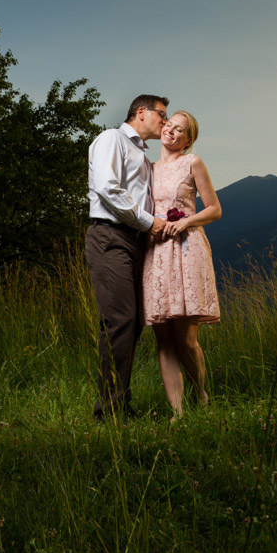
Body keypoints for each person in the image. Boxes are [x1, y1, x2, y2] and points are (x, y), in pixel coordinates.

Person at [85, 95, 169, 420]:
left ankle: (118, 403)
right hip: (110, 236)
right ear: (141, 112)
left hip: (135, 242)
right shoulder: (112, 139)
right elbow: (107, 187)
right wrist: (151, 223)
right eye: (161, 115)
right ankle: (109, 411)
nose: (164, 122)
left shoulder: (145, 158)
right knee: (119, 321)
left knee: (132, 325)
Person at [140, 111, 221, 420]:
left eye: (179, 130)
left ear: (189, 140)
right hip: (156, 253)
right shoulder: (148, 169)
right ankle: (178, 412)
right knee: (163, 339)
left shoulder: (193, 163)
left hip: (187, 251)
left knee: (186, 339)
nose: (171, 132)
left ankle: (200, 394)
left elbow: (214, 210)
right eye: (169, 126)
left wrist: (186, 220)